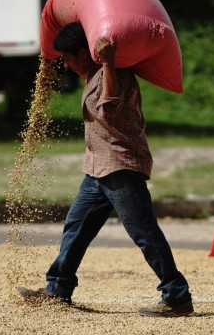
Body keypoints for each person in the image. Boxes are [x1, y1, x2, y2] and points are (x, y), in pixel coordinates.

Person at [17, 22, 194, 317]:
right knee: (76, 227)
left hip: (121, 167)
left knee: (143, 232)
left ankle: (177, 296)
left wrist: (109, 60)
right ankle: (57, 289)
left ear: (84, 53)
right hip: (98, 169)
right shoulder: (94, 74)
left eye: (69, 57)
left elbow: (109, 110)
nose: (66, 64)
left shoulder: (116, 73)